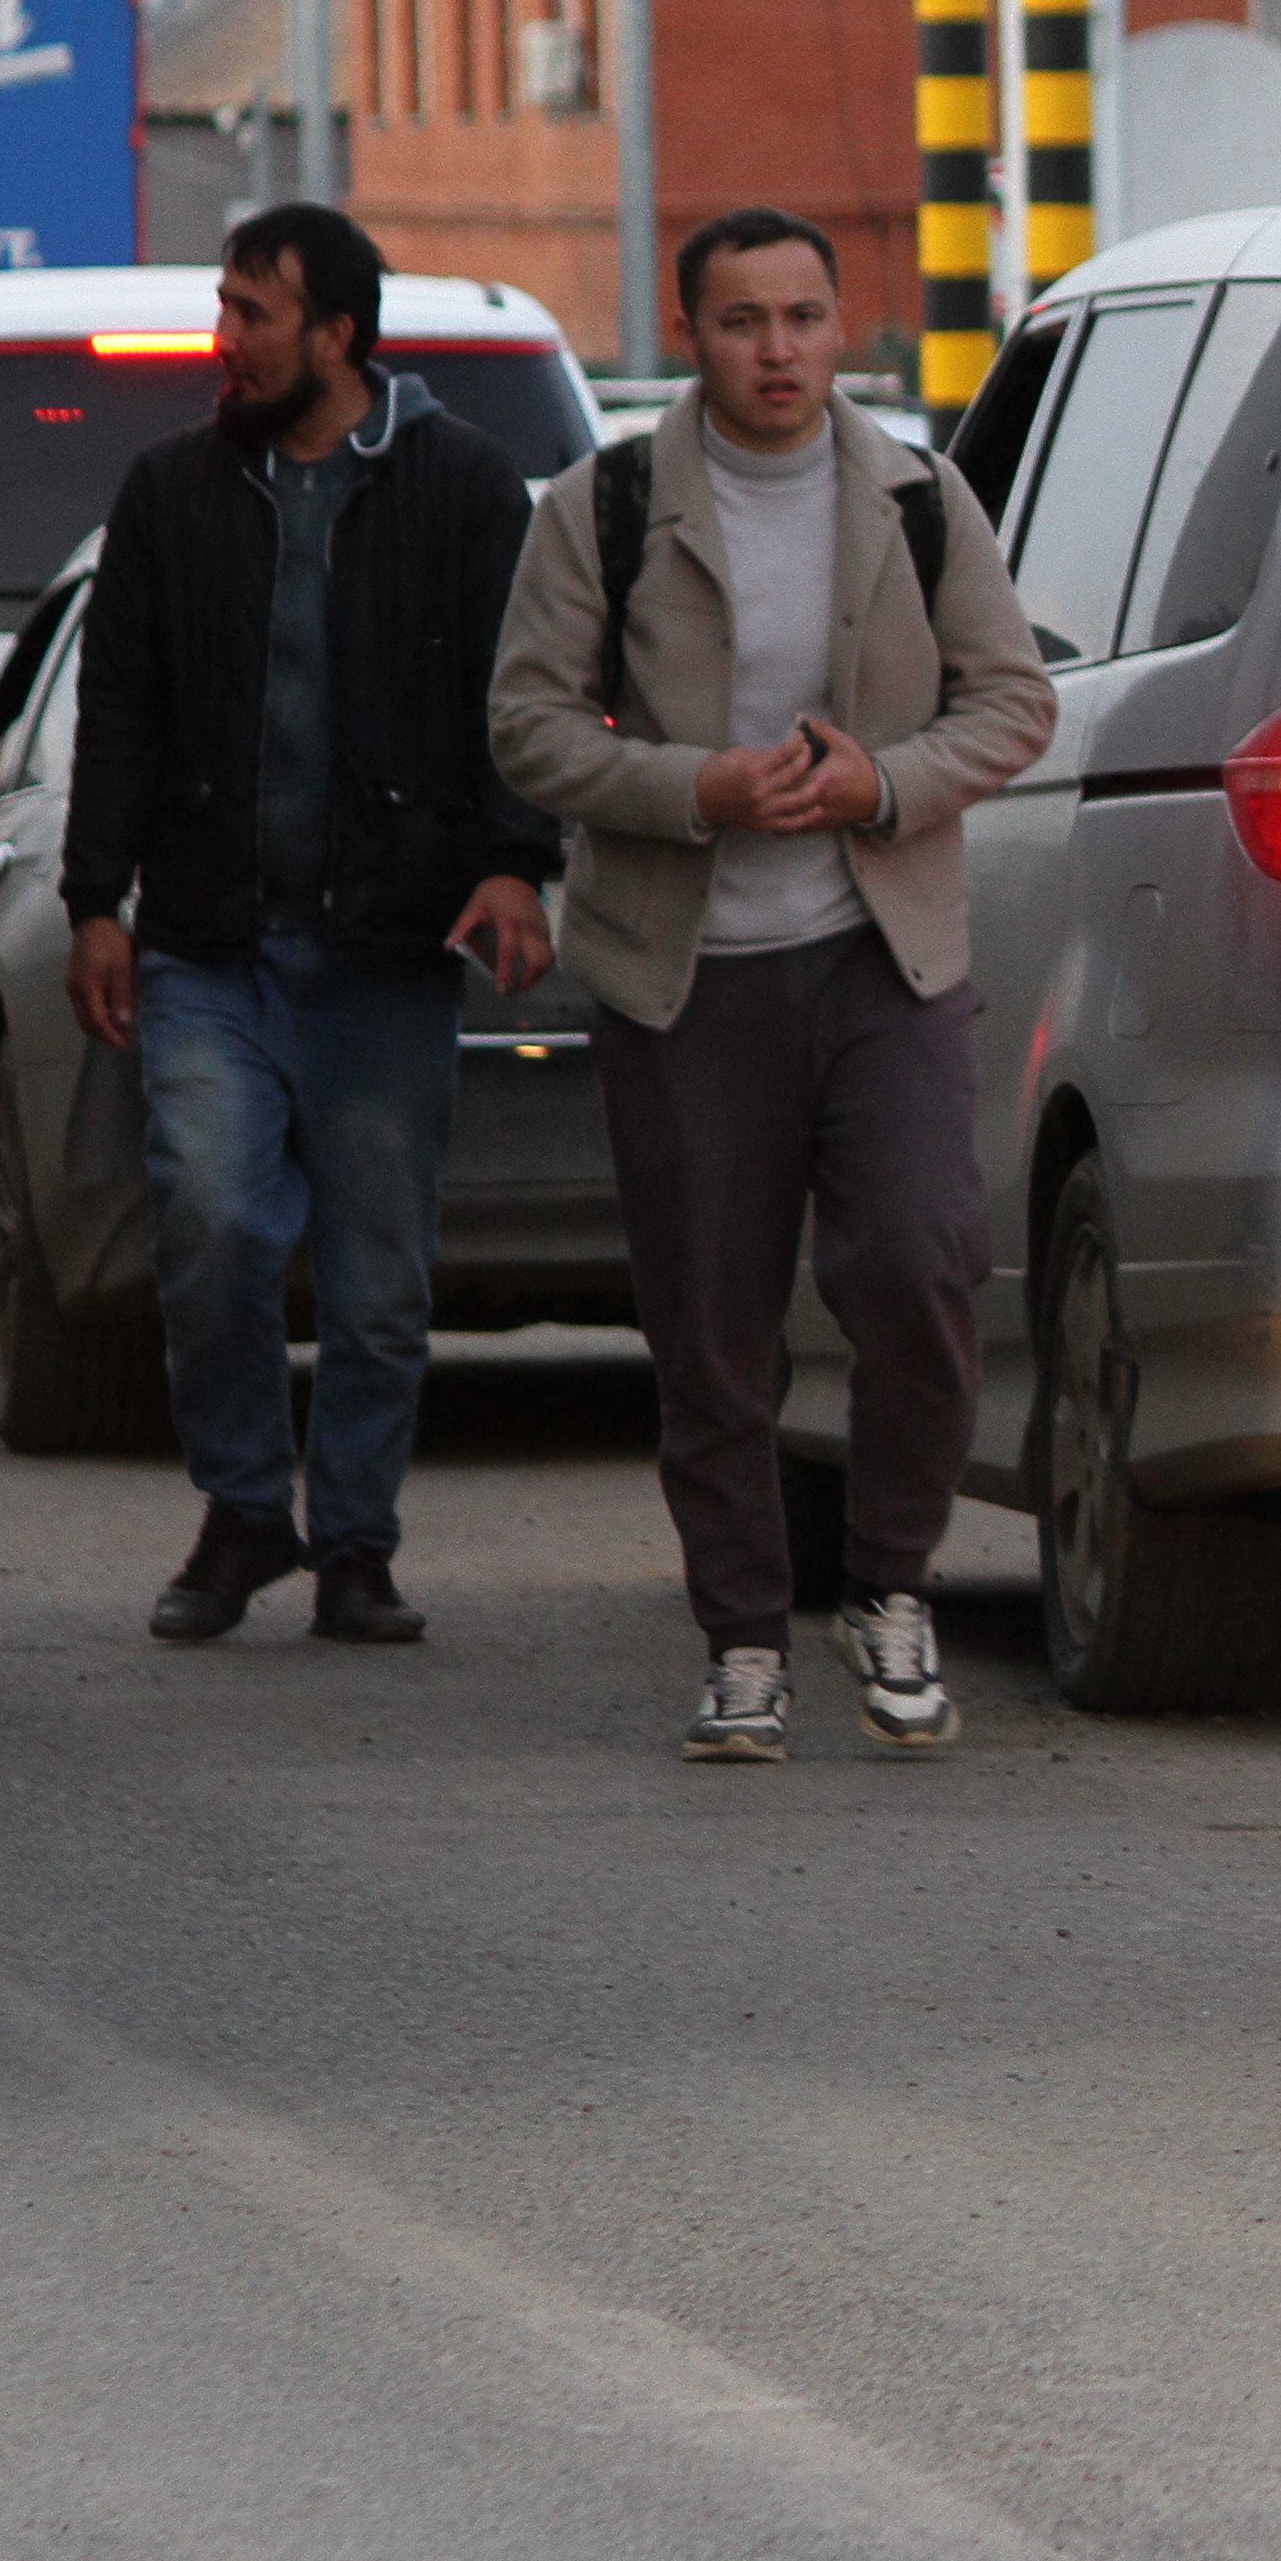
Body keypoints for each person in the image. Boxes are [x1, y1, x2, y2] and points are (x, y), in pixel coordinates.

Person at [487, 209, 1051, 1761]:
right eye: (745, 322)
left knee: (927, 1272)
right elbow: (528, 727)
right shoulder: (600, 507)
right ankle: (742, 1635)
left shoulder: (921, 497)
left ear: (839, 326)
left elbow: (1015, 706)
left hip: (885, 958)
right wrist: (692, 789)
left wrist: (883, 779)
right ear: (695, 334)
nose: (780, 350)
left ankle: (889, 1586)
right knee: (712, 1330)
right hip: (685, 978)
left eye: (805, 317)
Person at [59, 205, 559, 1648]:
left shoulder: (465, 490)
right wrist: (99, 903)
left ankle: (355, 1542)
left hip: (387, 951)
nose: (227, 342)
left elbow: (513, 702)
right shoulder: (171, 491)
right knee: (210, 1218)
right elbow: (122, 711)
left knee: (379, 1270)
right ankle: (240, 1509)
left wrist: (517, 863)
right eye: (224, 310)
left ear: (336, 334)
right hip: (211, 945)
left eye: (253, 315)